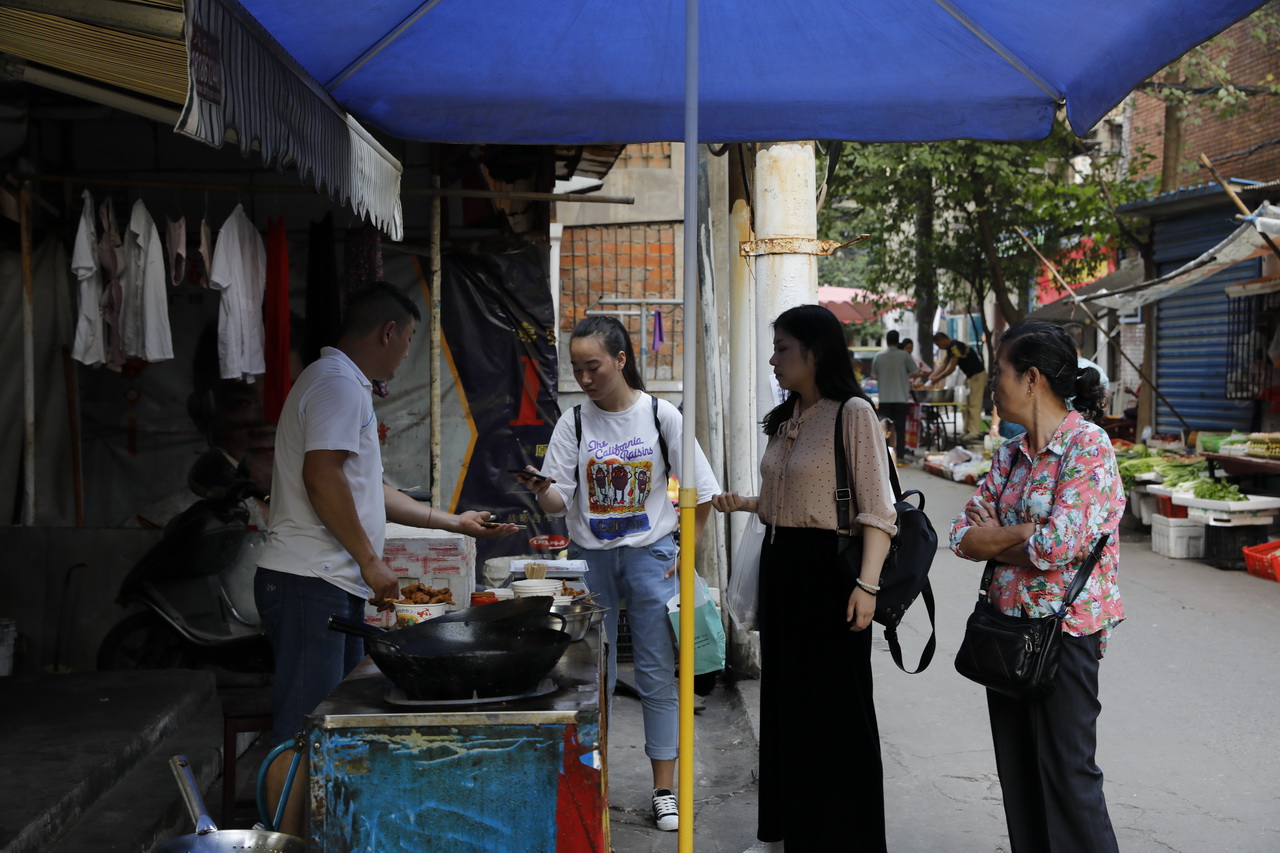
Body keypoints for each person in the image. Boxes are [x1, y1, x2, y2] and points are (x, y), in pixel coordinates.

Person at [256, 281, 518, 748]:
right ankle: (284, 822)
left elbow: (368, 489)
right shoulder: (337, 384)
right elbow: (323, 478)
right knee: (306, 725)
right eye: (410, 339)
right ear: (388, 331)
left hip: (328, 581)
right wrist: (370, 561)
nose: (404, 354)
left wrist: (453, 522)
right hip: (309, 581)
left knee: (336, 719)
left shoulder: (341, 383)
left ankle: (317, 821)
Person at [516, 315, 719, 833]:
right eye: (577, 369)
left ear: (621, 360)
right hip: (593, 563)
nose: (585, 378)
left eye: (594, 367)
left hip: (652, 556)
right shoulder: (574, 422)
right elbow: (562, 499)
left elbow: (702, 491)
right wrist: (543, 488)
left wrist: (687, 554)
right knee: (592, 676)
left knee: (655, 673)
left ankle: (664, 789)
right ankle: (595, 781)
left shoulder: (660, 415)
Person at [712, 304, 896, 853]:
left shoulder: (852, 413)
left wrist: (867, 586)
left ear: (815, 352)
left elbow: (877, 509)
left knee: (839, 711)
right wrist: (742, 501)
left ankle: (847, 840)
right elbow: (781, 499)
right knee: (786, 705)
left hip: (831, 575)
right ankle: (785, 833)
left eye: (783, 348)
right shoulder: (786, 417)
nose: (773, 359)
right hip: (783, 568)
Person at [949, 319, 1124, 853]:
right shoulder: (1009, 454)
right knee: (1019, 775)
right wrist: (1021, 534)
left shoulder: (1087, 447)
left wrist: (1000, 537)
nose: (992, 382)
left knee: (1069, 776)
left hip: (1065, 635)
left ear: (1031, 379)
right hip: (1005, 633)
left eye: (999, 371)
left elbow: (1056, 546)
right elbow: (960, 534)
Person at [870, 329, 919, 461]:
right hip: (900, 398)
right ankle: (901, 455)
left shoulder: (879, 356)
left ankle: (884, 455)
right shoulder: (904, 355)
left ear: (886, 340)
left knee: (884, 428)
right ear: (898, 341)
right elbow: (915, 371)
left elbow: (874, 376)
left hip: (885, 397)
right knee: (900, 428)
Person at [929, 331, 987, 439]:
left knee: (974, 405)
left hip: (977, 376)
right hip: (969, 377)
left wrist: (938, 378)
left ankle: (974, 432)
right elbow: (944, 364)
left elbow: (952, 367)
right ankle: (966, 430)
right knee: (965, 406)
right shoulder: (950, 349)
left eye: (938, 344)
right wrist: (932, 376)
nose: (939, 347)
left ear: (942, 340)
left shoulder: (955, 346)